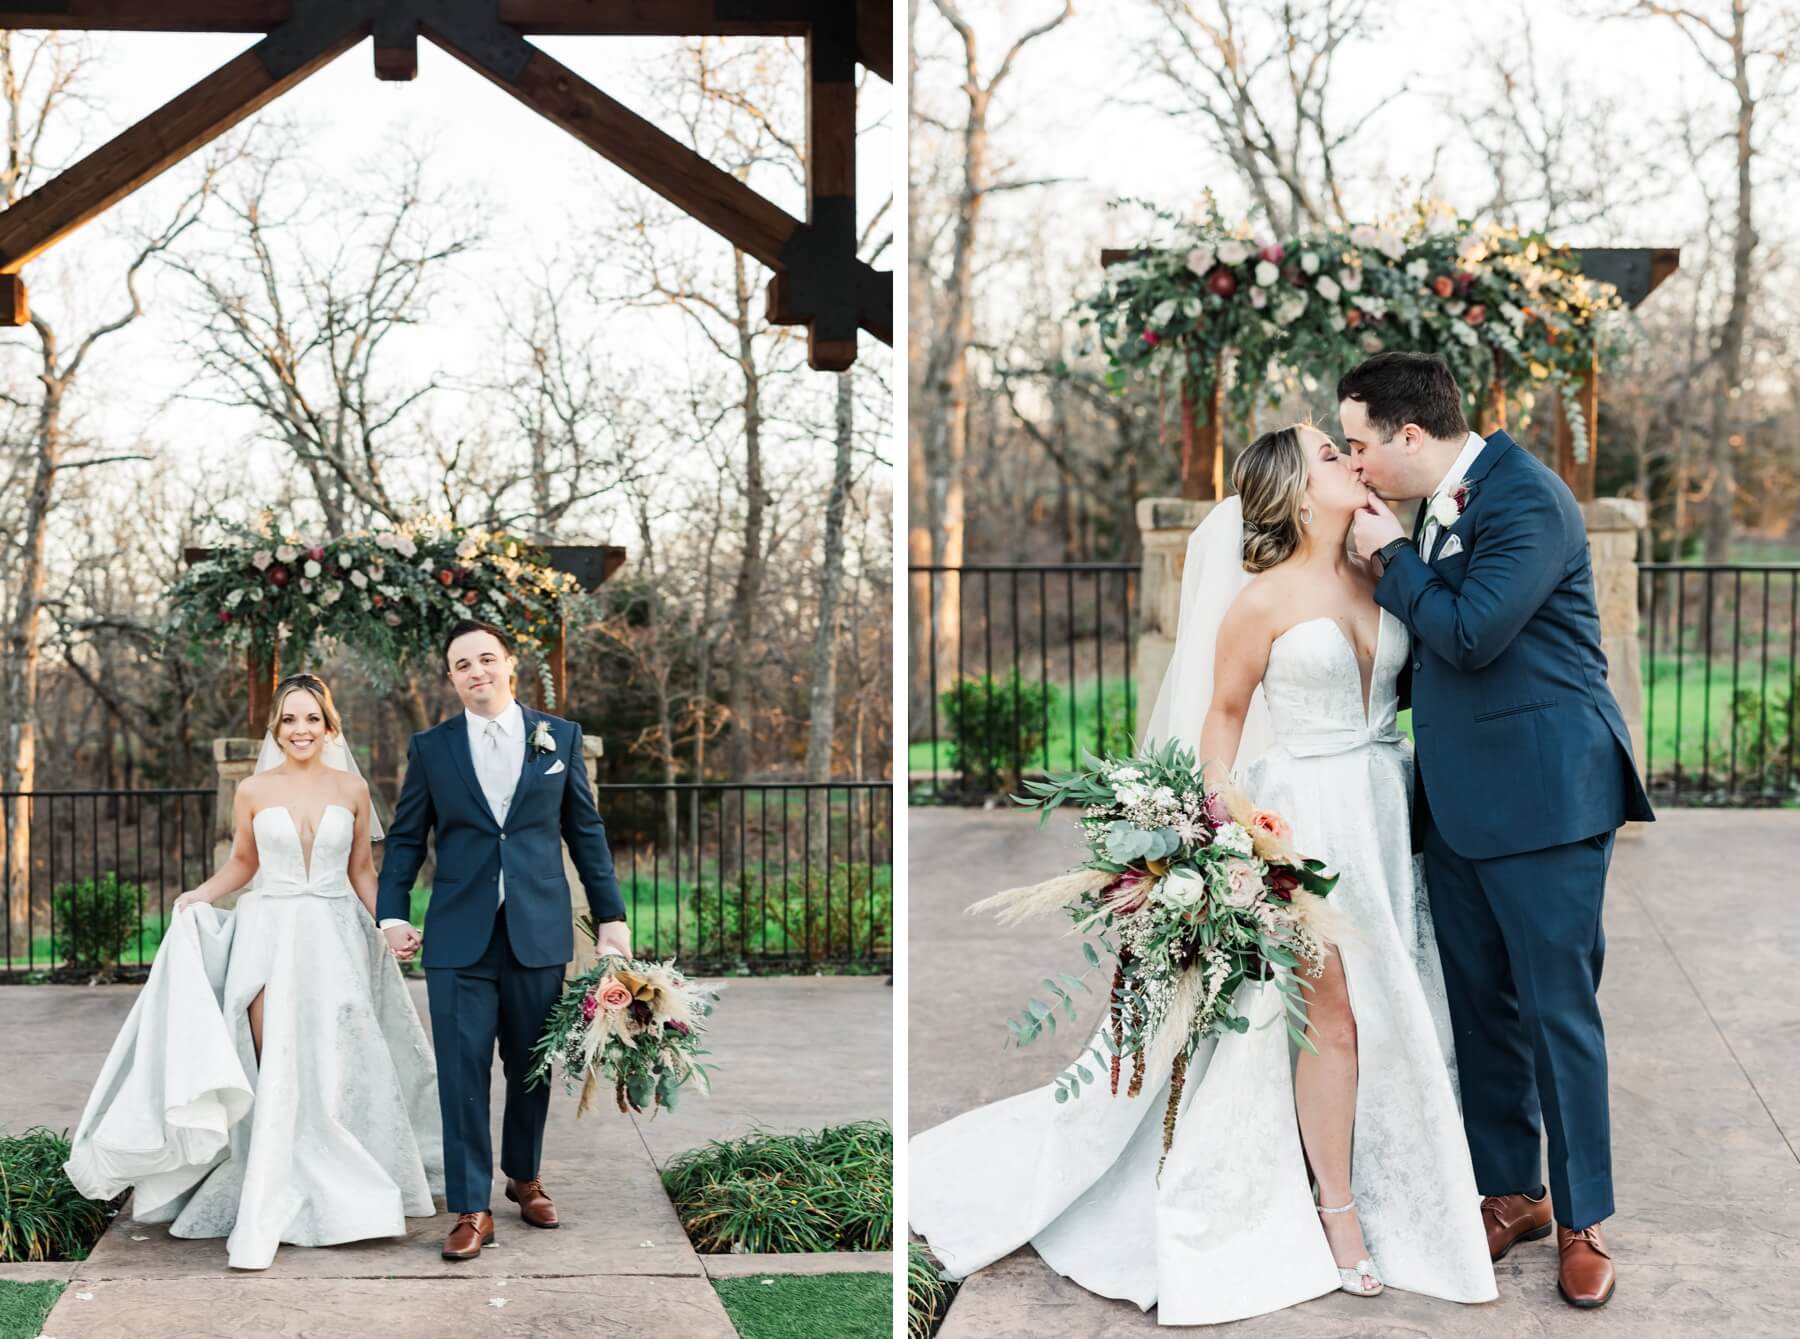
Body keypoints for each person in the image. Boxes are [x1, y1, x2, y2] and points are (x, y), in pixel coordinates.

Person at [910, 424, 1496, 1326]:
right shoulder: (1259, 604)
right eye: (1332, 455)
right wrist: (1251, 844)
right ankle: (1337, 1215)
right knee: (1330, 1019)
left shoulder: (1390, 570)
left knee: (1405, 998)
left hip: (1388, 806)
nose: (1353, 460)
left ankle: (1403, 1185)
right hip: (1303, 825)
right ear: (1301, 493)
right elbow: (1219, 733)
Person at [1344, 351, 1654, 1310]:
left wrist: (1388, 557)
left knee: (1559, 1013)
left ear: (1408, 435)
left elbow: (1474, 631)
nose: (1354, 466)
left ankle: (1585, 1220)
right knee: (1482, 1012)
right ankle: (1512, 1191)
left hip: (1549, 799)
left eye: (1359, 446)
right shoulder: (1437, 500)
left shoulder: (1526, 498)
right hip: (1459, 804)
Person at [63, 673, 443, 1271]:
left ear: (328, 725)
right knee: (278, 1060)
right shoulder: (254, 791)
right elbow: (243, 863)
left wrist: (390, 923)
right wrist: (198, 896)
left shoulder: (352, 788)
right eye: (290, 719)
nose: (301, 730)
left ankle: (343, 1186)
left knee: (335, 1059)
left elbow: (363, 871)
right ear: (276, 727)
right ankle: (275, 1183)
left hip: (338, 936)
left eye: (312, 719)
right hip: (270, 935)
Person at [375, 619, 631, 1261]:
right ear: (452, 677)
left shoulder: (558, 738)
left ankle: (524, 1177)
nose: (476, 672)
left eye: (486, 659)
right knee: (461, 1073)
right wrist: (391, 913)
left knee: (529, 1067)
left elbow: (587, 834)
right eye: (462, 664)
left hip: (537, 931)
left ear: (509, 664)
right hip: (459, 937)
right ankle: (470, 1206)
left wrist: (612, 919)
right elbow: (407, 837)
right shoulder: (431, 748)